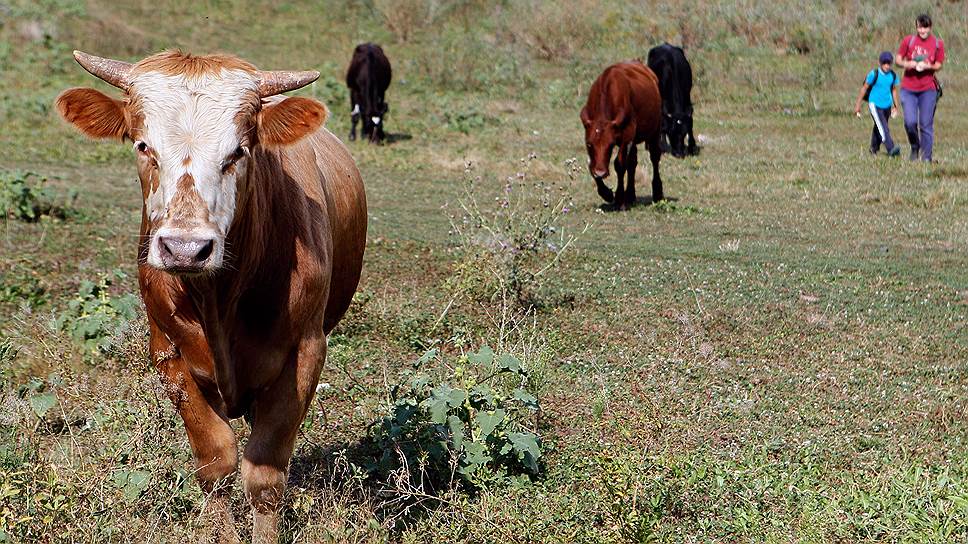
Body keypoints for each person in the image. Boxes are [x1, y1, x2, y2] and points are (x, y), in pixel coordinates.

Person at [896, 14, 944, 162]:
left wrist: (928, 66)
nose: (922, 30)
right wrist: (907, 64)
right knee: (909, 122)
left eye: (925, 27)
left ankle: (927, 158)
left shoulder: (937, 44)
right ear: (916, 27)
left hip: (928, 89)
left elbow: (939, 64)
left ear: (930, 27)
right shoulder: (908, 41)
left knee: (926, 123)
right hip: (908, 88)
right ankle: (915, 146)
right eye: (920, 27)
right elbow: (898, 59)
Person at [854, 51, 901, 157]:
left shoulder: (893, 75)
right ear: (880, 63)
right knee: (883, 127)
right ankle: (891, 148)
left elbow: (893, 90)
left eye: (889, 63)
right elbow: (864, 88)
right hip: (875, 104)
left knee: (878, 126)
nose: (887, 65)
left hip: (887, 105)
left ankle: (873, 148)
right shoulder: (873, 74)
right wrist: (858, 105)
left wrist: (896, 105)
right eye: (884, 63)